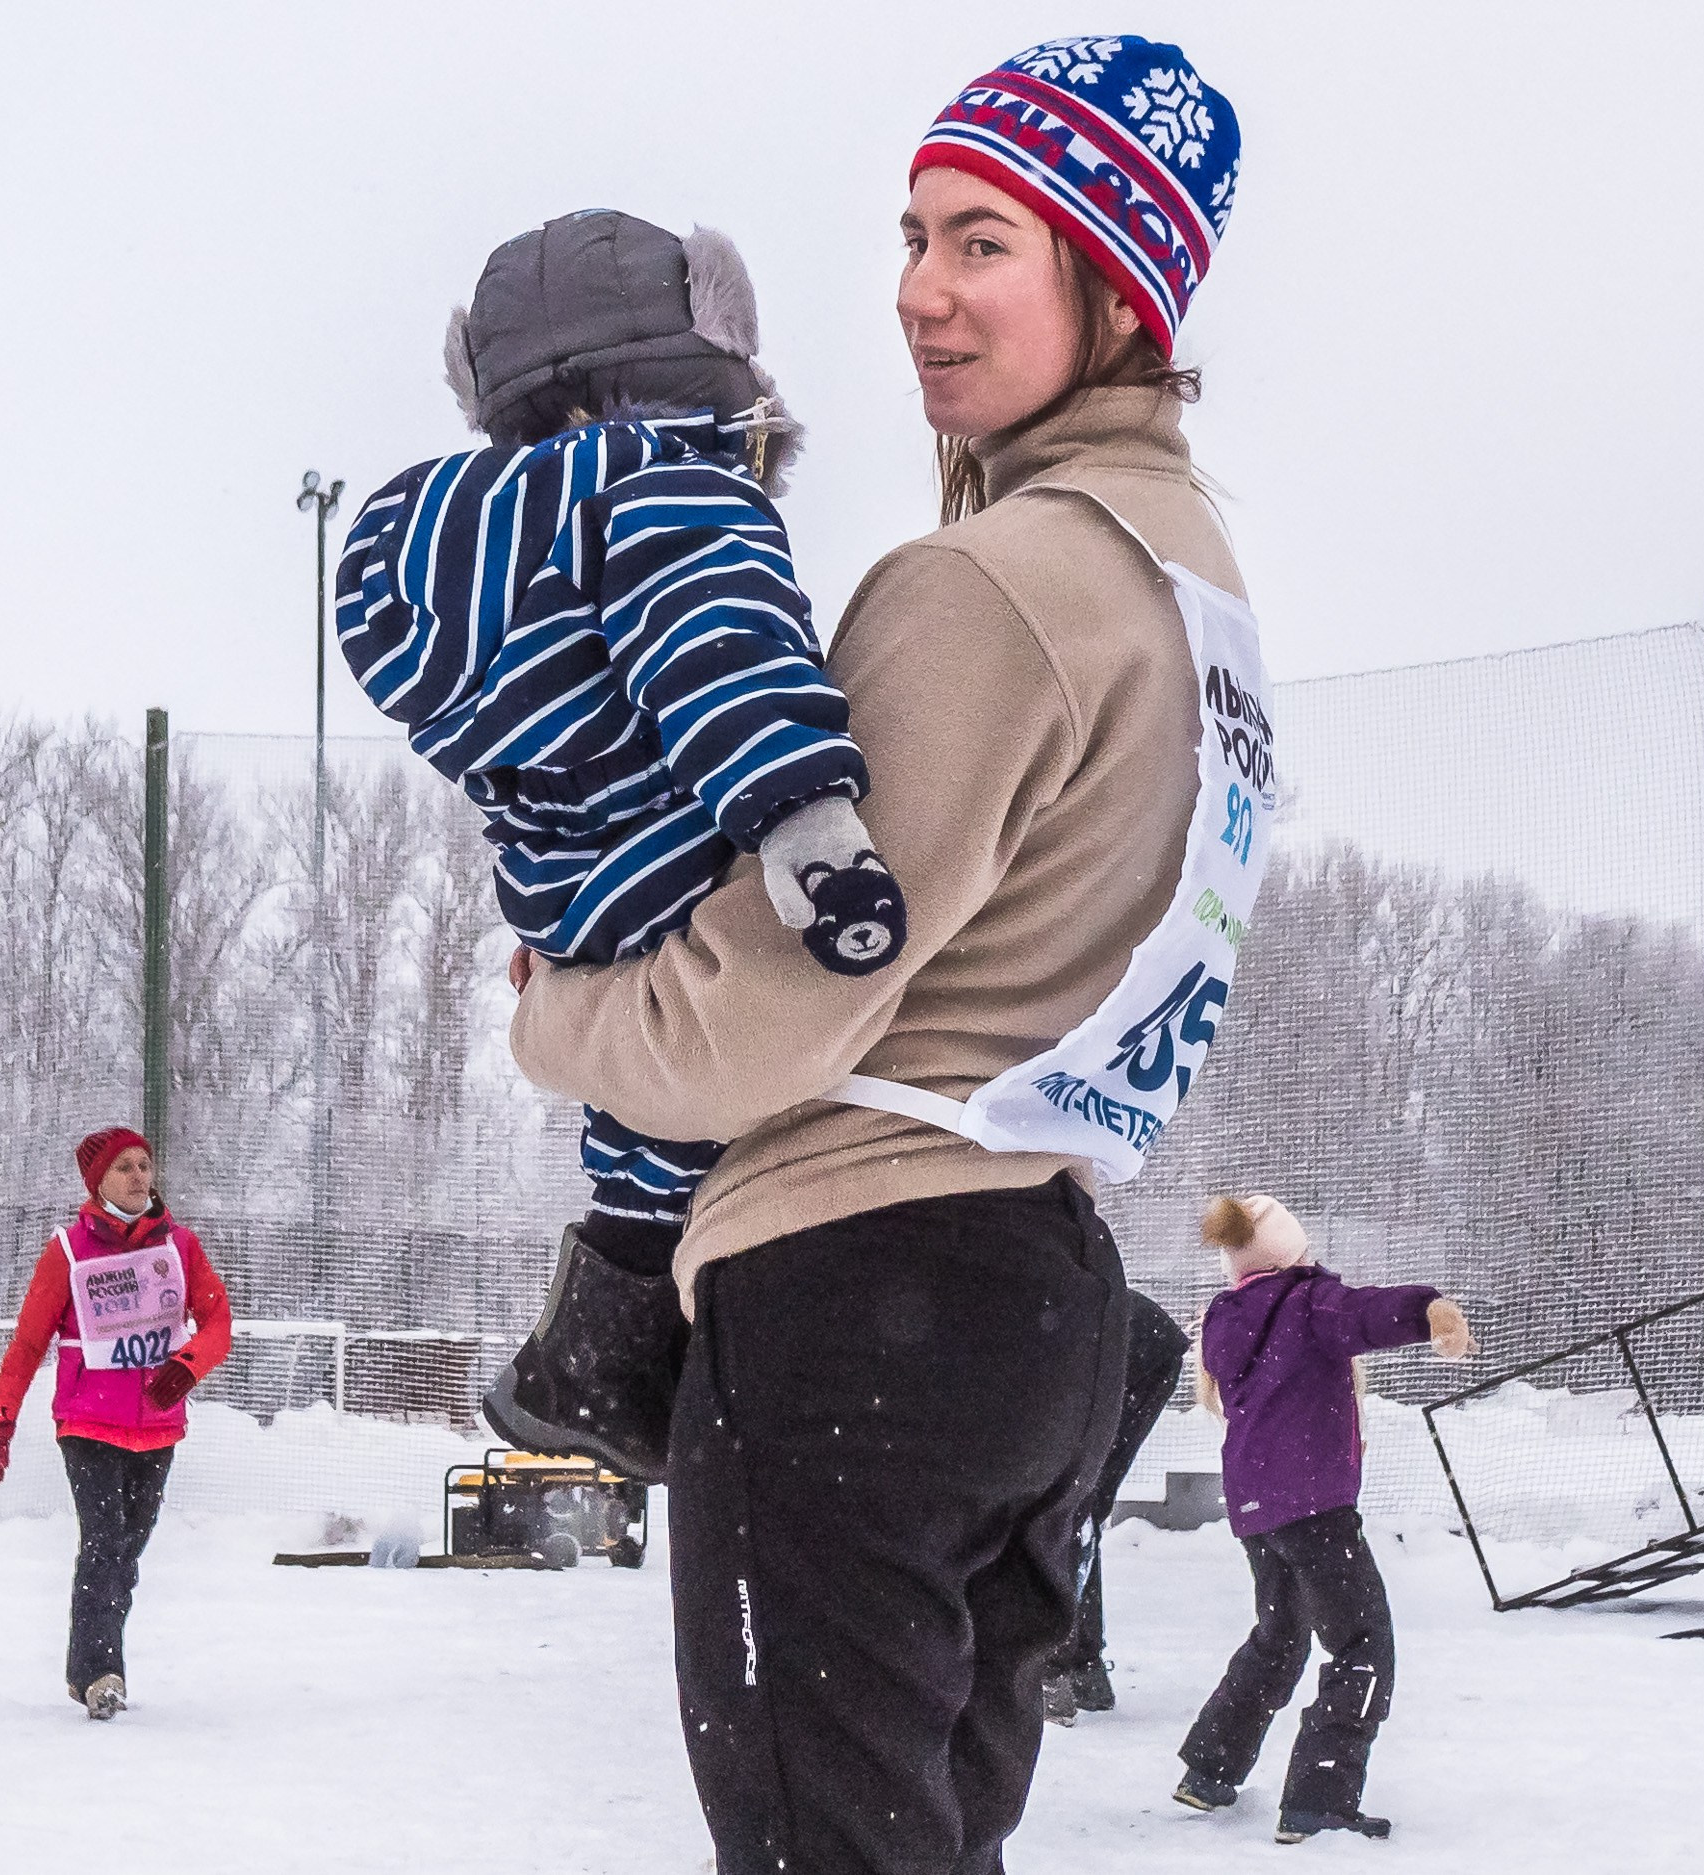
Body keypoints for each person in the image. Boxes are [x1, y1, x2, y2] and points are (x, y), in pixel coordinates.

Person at [510, 36, 1263, 1874]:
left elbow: (771, 1008)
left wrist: (563, 1021)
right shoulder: (1192, 580)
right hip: (1037, 1301)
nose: (922, 292)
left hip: (858, 1296)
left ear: (1119, 279)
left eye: (986, 241)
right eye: (913, 235)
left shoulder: (987, 583)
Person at [331, 209, 908, 1481]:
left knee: (638, 1112)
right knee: (721, 1101)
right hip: (691, 839)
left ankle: (592, 1358)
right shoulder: (680, 495)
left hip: (557, 873)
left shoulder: (431, 557)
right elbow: (726, 666)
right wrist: (811, 831)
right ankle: (623, 1356)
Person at [1173, 1194, 1473, 1844]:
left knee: (1280, 1634)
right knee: (1363, 1644)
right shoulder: (1307, 1302)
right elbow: (1363, 1313)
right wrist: (1429, 1311)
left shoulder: (1227, 1316)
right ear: (1291, 1255)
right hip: (1313, 1505)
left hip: (1257, 1511)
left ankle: (1209, 1767)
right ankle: (1319, 1800)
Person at [0, 1126, 232, 1721]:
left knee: (128, 1550)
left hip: (158, 1427)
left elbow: (218, 1321)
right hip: (88, 1423)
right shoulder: (68, 1252)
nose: (140, 1177)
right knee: (102, 1543)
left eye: (145, 1165)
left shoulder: (180, 1247)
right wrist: (0, 1419)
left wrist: (186, 1368)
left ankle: (85, 1667)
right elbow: (27, 1343)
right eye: (125, 1167)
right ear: (99, 1182)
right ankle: (100, 1672)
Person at [1042, 1288, 1191, 1723]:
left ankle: (1056, 1668)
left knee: (1068, 1508)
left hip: (1131, 1353)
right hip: (1140, 1349)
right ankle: (1083, 1667)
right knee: (1079, 1507)